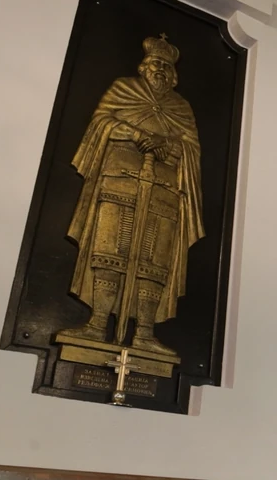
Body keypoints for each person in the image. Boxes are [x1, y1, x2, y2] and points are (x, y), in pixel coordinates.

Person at [59, 34, 203, 356]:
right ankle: (97, 324)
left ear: (174, 75)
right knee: (109, 252)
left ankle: (145, 333)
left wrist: (166, 144)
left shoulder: (181, 107)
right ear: (144, 66)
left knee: (154, 263)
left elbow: (191, 148)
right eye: (156, 63)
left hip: (163, 192)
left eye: (167, 66)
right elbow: (102, 122)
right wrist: (135, 133)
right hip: (118, 183)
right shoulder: (123, 89)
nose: (160, 69)